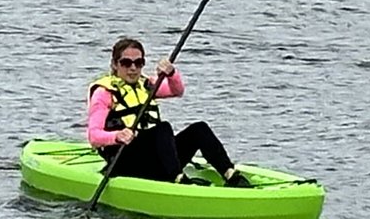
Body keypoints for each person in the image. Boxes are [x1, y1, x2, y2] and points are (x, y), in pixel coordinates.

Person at [85, 37, 249, 186]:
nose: (133, 68)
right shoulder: (104, 93)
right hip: (125, 161)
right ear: (115, 64)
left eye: (138, 63)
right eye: (126, 63)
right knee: (163, 128)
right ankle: (178, 180)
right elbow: (94, 137)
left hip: (156, 160)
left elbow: (176, 90)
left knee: (199, 129)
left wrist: (171, 74)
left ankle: (231, 175)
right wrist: (117, 136)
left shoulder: (146, 85)